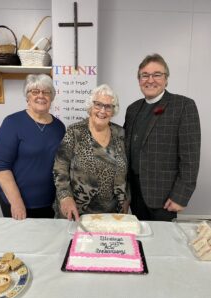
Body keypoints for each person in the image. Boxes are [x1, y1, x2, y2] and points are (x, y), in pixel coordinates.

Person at [124, 54, 201, 221]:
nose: (150, 80)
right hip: (135, 195)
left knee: (162, 244)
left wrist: (181, 196)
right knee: (141, 241)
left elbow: (190, 158)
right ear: (139, 80)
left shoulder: (183, 106)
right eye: (145, 75)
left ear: (166, 79)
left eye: (157, 74)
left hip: (165, 198)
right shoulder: (133, 109)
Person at [0, 74, 66, 220]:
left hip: (48, 202)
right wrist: (17, 202)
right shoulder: (12, 123)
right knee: (20, 241)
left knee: (44, 241)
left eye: (46, 92)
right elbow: (0, 166)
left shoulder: (59, 127)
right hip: (18, 202)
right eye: (35, 92)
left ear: (52, 97)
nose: (41, 96)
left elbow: (62, 163)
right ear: (27, 97)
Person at [53, 84, 129, 221]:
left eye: (108, 106)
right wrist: (65, 197)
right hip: (77, 210)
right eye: (98, 104)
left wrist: (126, 198)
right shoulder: (75, 131)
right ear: (90, 107)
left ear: (113, 111)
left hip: (112, 212)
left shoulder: (120, 134)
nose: (102, 110)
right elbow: (60, 168)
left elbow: (127, 171)